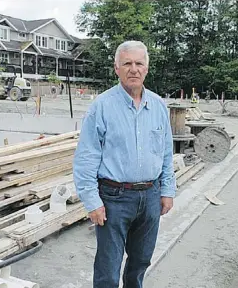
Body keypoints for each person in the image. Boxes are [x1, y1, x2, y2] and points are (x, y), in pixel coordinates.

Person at [73, 40, 176, 288]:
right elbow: (86, 156)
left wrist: (167, 190)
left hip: (150, 196)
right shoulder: (102, 106)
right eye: (127, 63)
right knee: (108, 269)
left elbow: (165, 152)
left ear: (147, 68)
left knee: (140, 263)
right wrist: (92, 201)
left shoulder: (158, 106)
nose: (134, 69)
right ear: (116, 68)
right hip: (114, 198)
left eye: (139, 63)